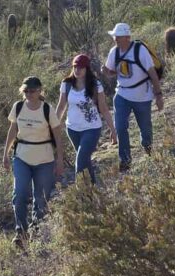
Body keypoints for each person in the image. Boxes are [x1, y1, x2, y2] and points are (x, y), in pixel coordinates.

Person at [3, 76, 64, 245]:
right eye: (26, 91)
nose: (29, 94)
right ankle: (20, 232)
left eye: (32, 90)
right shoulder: (18, 107)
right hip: (22, 157)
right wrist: (5, 154)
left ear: (40, 91)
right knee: (20, 194)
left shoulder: (47, 109)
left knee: (41, 197)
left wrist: (60, 160)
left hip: (44, 159)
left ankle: (36, 230)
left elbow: (58, 136)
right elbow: (12, 130)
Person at [102, 22, 163, 172]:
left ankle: (147, 147)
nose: (116, 39)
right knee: (120, 126)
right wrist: (105, 71)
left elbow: (152, 73)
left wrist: (159, 95)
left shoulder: (140, 50)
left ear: (127, 37)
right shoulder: (114, 52)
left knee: (145, 129)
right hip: (122, 94)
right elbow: (111, 72)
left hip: (142, 96)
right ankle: (125, 160)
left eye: (119, 36)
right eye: (115, 36)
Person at [56, 53, 115, 186]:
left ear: (87, 69)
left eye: (81, 67)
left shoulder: (95, 85)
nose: (77, 70)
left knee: (81, 161)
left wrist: (113, 129)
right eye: (75, 67)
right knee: (85, 160)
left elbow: (104, 109)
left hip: (92, 129)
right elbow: (61, 107)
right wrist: (53, 126)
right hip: (72, 129)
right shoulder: (66, 84)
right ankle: (92, 191)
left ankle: (81, 195)